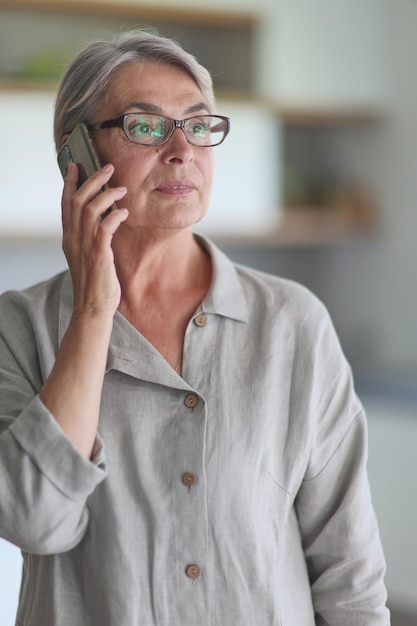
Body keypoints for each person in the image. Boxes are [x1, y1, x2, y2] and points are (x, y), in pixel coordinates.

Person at [0, 29, 390, 626]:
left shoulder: (293, 324)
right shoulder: (20, 328)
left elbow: (350, 579)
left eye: (199, 123)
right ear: (75, 152)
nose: (182, 149)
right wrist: (91, 312)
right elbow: (35, 519)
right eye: (147, 126)